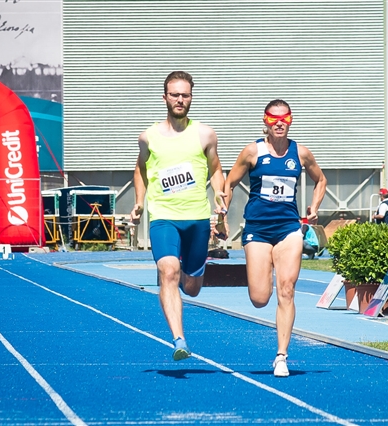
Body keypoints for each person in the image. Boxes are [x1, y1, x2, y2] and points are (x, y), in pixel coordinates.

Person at [224, 99, 326, 377]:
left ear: (290, 120)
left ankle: (281, 356)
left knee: (287, 289)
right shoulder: (252, 152)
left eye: (284, 118)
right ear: (265, 121)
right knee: (259, 298)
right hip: (257, 229)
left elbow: (321, 180)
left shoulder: (301, 153)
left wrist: (314, 207)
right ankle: (264, 267)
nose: (279, 123)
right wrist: (222, 210)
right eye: (273, 118)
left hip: (288, 229)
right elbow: (229, 183)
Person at [129, 71, 227, 361]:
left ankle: (192, 268)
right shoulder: (148, 137)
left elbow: (216, 168)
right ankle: (179, 340)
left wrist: (220, 193)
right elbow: (140, 169)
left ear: (191, 98)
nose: (180, 100)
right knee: (168, 272)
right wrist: (139, 202)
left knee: (193, 288)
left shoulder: (205, 134)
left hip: (197, 218)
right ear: (165, 98)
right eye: (175, 95)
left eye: (185, 95)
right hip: (164, 217)